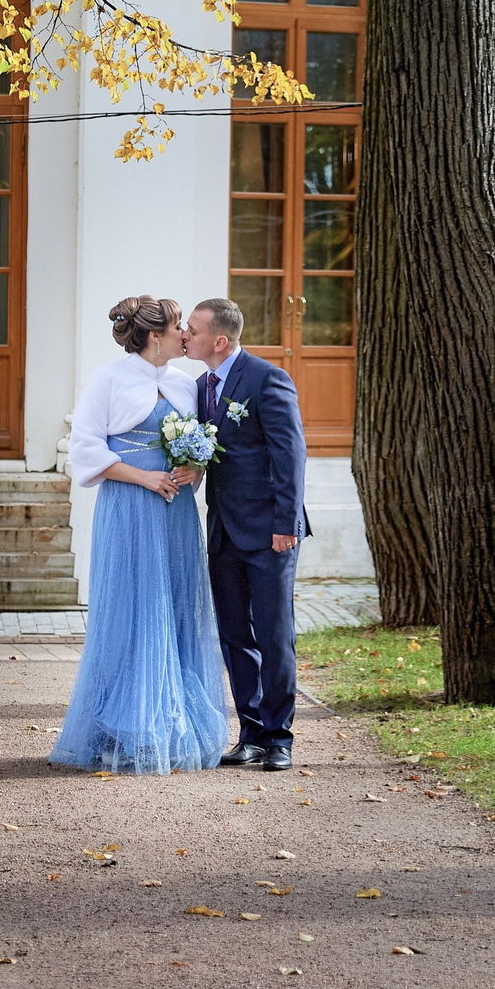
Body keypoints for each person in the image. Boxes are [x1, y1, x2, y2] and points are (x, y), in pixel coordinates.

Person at [51, 296, 230, 773]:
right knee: (133, 607)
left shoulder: (185, 385)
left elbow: (198, 444)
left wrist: (193, 467)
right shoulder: (109, 379)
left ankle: (173, 723)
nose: (185, 336)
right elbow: (85, 447)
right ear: (155, 336)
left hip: (174, 513)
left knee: (173, 607)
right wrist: (143, 477)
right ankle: (122, 726)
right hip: (130, 508)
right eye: (178, 328)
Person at [182, 297, 309, 771]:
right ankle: (251, 734)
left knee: (274, 635)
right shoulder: (200, 386)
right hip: (223, 530)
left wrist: (285, 525)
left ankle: (280, 739)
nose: (184, 335)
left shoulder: (266, 378)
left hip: (270, 531)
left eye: (191, 329)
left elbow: (289, 455)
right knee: (236, 636)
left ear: (219, 339)